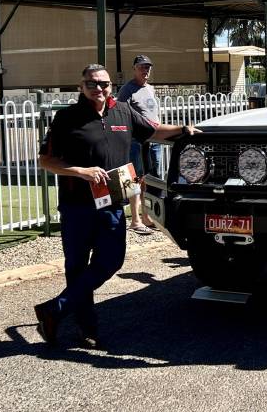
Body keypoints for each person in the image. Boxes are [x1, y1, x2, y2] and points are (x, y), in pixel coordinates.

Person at [34, 64, 195, 348]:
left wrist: (184, 130)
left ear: (111, 85)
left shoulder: (122, 111)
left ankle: (55, 309)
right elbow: (46, 160)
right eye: (92, 84)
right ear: (81, 87)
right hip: (77, 207)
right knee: (77, 266)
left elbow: (154, 131)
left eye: (104, 84)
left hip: (112, 203)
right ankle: (86, 328)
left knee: (111, 260)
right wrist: (80, 171)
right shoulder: (66, 118)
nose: (99, 89)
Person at [117, 54, 162, 235]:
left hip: (153, 140)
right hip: (135, 140)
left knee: (150, 178)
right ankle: (135, 219)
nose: (146, 70)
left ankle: (147, 216)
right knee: (133, 177)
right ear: (135, 68)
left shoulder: (150, 88)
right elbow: (120, 113)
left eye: (148, 67)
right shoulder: (128, 89)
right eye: (142, 67)